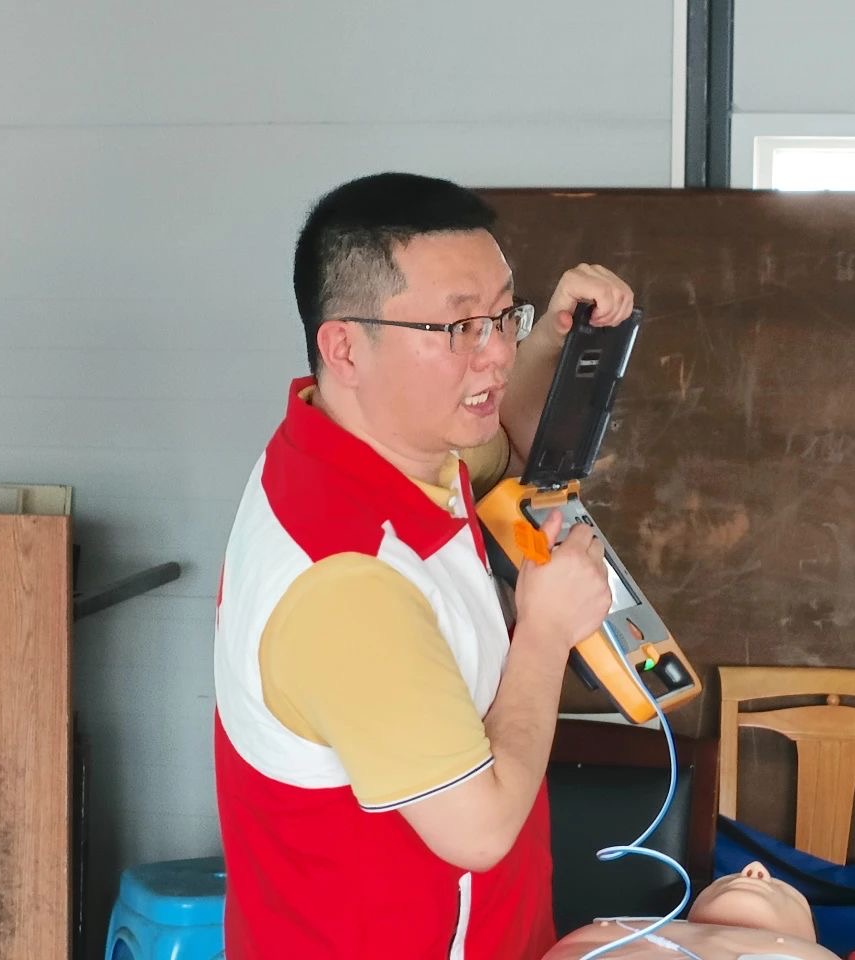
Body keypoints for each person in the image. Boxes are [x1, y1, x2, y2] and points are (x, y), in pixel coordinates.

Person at [212, 171, 635, 959]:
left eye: (504, 314)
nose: (498, 352)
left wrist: (553, 339)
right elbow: (479, 831)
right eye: (460, 327)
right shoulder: (347, 585)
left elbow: (501, 445)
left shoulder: (367, 446)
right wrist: (545, 633)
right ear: (344, 347)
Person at [541, 862, 841, 960]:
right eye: (721, 882)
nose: (753, 869)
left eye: (783, 890)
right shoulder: (604, 932)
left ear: (811, 939)